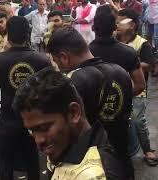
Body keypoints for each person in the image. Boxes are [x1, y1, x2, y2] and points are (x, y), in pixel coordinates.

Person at [46, 26, 135, 179]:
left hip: (91, 166)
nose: (58, 67)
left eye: (56, 62)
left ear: (64, 57)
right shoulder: (121, 72)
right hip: (122, 159)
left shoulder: (72, 81)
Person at [13, 67, 128, 179]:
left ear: (73, 113)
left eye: (44, 128)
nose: (39, 141)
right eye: (31, 130)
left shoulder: (93, 174)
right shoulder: (62, 146)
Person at [0, 16, 51, 180]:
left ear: (8, 34)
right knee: (32, 162)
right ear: (27, 34)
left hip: (7, 121)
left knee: (5, 163)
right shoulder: (42, 60)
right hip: (32, 121)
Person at [116, 8, 158, 166]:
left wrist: (131, 63)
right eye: (117, 20)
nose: (118, 23)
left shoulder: (142, 43)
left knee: (138, 120)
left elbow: (150, 64)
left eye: (122, 20)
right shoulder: (114, 40)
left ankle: (147, 149)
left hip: (137, 88)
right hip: (118, 88)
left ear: (133, 25)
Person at [90, 5, 146, 97]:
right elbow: (140, 85)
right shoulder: (128, 52)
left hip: (94, 108)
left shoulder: (85, 52)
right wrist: (121, 99)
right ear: (115, 26)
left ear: (94, 26)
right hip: (122, 109)